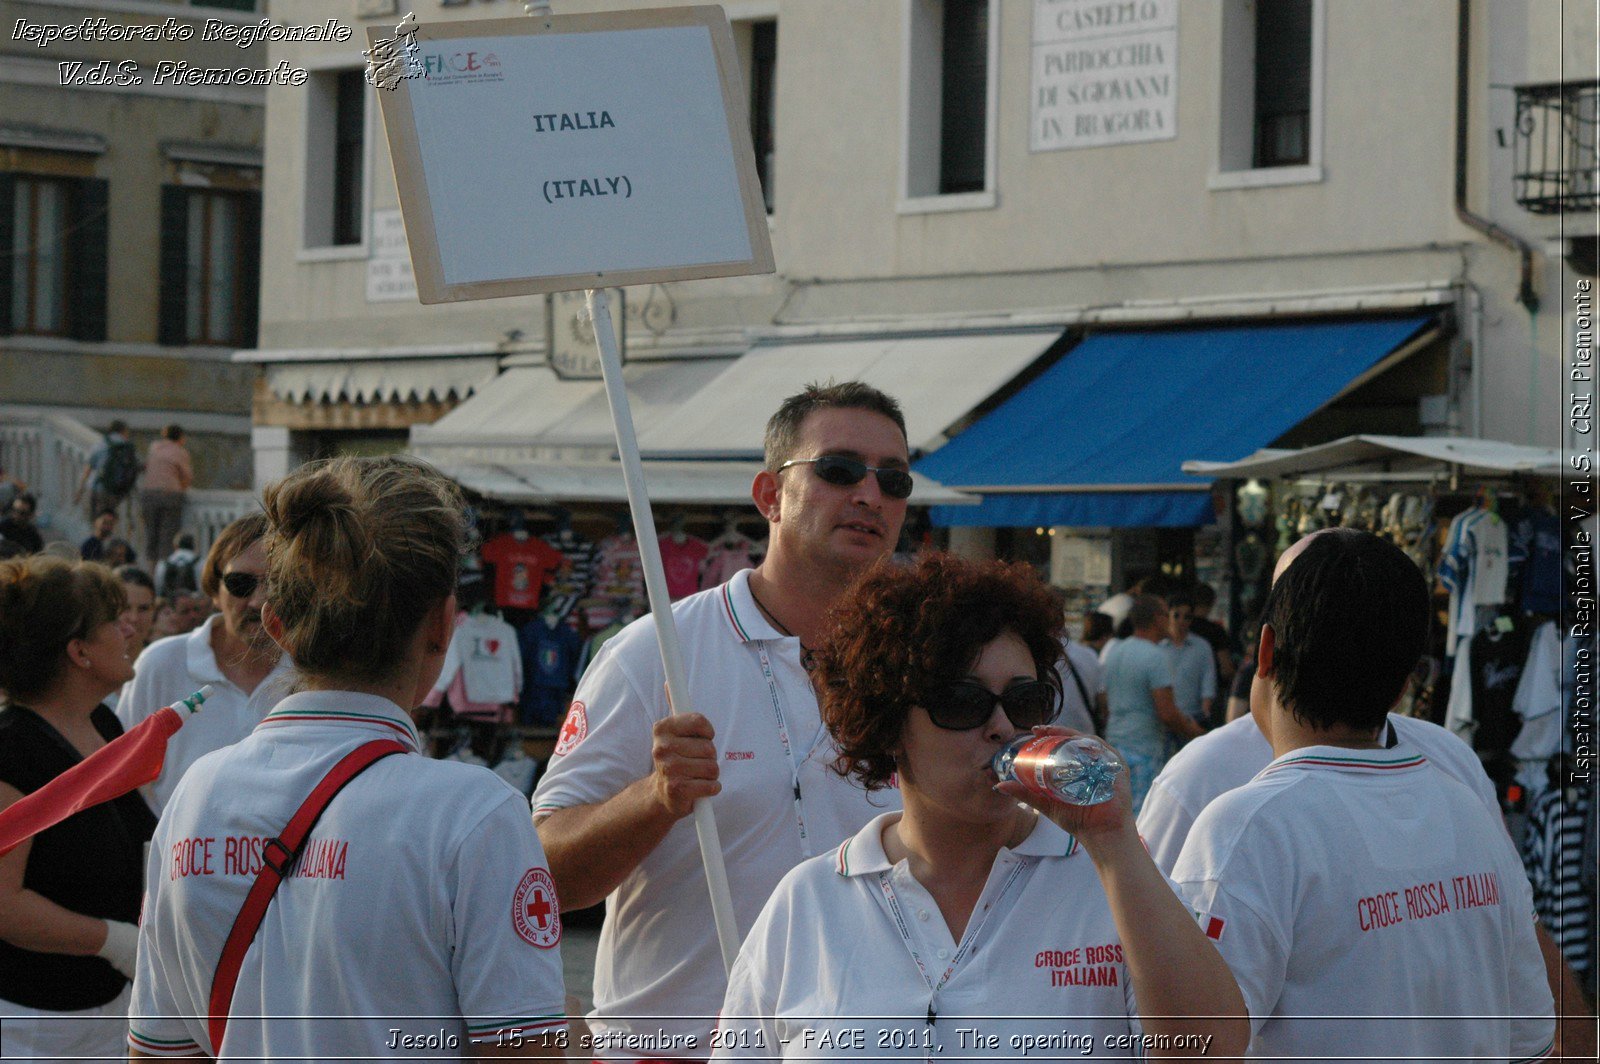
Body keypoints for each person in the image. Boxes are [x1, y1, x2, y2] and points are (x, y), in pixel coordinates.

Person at [713, 555, 1248, 1060]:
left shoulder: (1111, 880)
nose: (1002, 727)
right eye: (963, 702)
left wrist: (1114, 844)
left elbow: (1214, 1053)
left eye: (1023, 701)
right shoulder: (810, 901)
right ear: (890, 722)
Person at [129, 455, 567, 1059]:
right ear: (443, 625)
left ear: (276, 626)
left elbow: (157, 1052)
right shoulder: (477, 814)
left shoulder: (194, 794)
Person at [533, 382, 914, 1059]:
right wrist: (653, 799)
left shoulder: (922, 669)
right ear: (769, 495)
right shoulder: (656, 654)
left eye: (894, 479)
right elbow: (544, 879)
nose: (869, 494)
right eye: (838, 469)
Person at [1169, 529, 1553, 1061]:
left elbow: (1187, 1050)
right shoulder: (1465, 805)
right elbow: (1532, 1036)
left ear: (1265, 651)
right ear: (1404, 686)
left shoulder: (1250, 826)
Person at [0, 556, 155, 1060]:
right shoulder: (12, 751)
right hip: (33, 1026)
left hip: (108, 1011)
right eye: (114, 619)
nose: (130, 625)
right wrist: (116, 942)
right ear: (79, 651)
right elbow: (6, 904)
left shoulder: (105, 725)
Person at [116, 513, 292, 812]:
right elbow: (122, 773)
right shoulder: (162, 664)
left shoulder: (310, 675)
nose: (258, 601)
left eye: (276, 583)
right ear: (214, 590)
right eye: (241, 583)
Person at [1101, 595, 1199, 812]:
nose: (1170, 620)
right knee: (1140, 820)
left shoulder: (1116, 651)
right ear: (1157, 619)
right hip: (1143, 749)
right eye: (1167, 614)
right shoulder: (1156, 656)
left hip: (1114, 744)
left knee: (1115, 815)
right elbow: (1167, 713)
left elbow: (1104, 701)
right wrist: (1195, 733)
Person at [1160, 591, 1216, 733]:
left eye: (1187, 617)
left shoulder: (1202, 647)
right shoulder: (1158, 647)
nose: (1181, 621)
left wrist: (1205, 713)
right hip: (1163, 719)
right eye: (1176, 615)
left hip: (1193, 717)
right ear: (1168, 616)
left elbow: (1208, 681)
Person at [139, 424, 192, 568]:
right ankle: (162, 575)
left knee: (151, 536)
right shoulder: (180, 452)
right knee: (167, 538)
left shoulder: (154, 448)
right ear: (180, 437)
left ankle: (151, 571)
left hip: (148, 495)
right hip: (169, 496)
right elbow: (186, 478)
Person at [76, 419, 140, 521]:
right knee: (109, 520)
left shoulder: (100, 444)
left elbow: (88, 469)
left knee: (95, 520)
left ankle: (97, 534)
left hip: (97, 488)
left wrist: (80, 490)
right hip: (117, 491)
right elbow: (135, 466)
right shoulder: (128, 447)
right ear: (123, 431)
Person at [153, 532, 201, 600]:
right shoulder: (199, 562)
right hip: (191, 603)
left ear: (175, 545)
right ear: (193, 546)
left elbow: (158, 587)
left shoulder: (163, 563)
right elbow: (202, 587)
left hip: (170, 603)